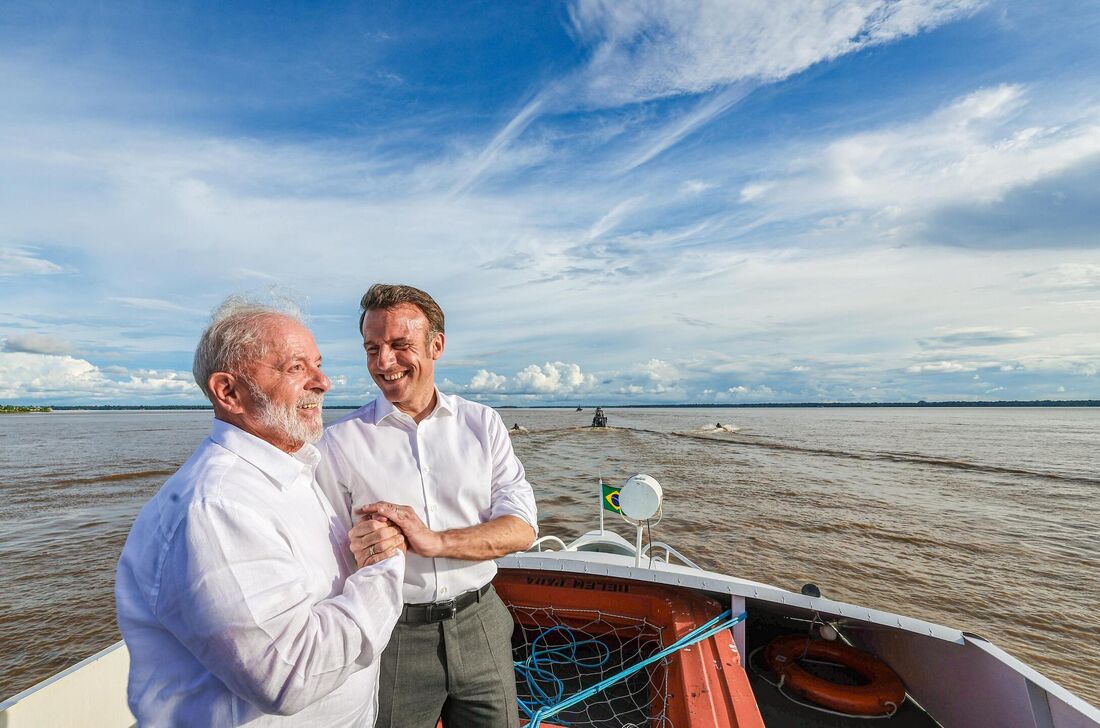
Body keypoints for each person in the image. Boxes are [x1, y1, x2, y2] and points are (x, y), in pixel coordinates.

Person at [115, 297, 407, 726]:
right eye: (296, 368)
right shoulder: (216, 507)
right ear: (228, 392)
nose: (323, 382)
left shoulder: (291, 472)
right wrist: (382, 569)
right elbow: (290, 676)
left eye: (318, 365)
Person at [316, 284, 538, 728]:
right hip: (392, 636)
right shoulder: (338, 441)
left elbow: (522, 528)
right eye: (372, 348)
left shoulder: (483, 424)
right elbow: (324, 557)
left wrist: (432, 541)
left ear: (436, 345)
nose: (383, 362)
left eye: (400, 345)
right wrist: (358, 548)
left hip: (483, 623)